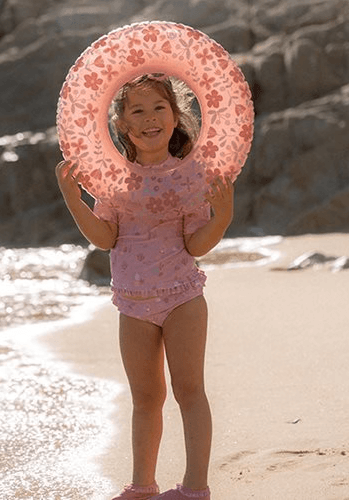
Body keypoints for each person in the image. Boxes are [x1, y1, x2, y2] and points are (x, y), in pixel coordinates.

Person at [55, 74, 234, 500]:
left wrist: (222, 216)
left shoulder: (190, 176)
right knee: (144, 398)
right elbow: (104, 237)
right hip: (132, 304)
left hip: (182, 297)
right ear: (120, 124)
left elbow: (196, 244)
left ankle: (195, 488)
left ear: (175, 119)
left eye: (159, 108)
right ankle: (142, 485)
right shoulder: (113, 178)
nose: (150, 118)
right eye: (137, 110)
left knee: (189, 391)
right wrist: (74, 198)